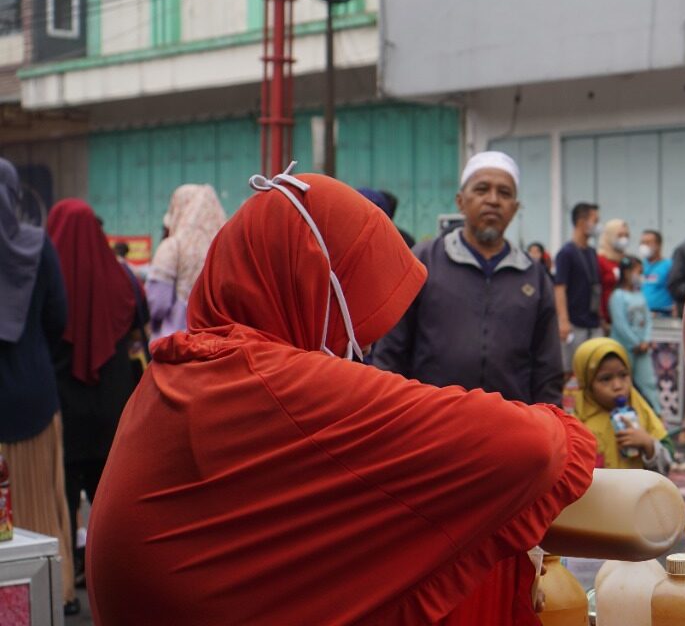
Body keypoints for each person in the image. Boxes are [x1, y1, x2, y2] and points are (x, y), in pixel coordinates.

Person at [86, 169, 596, 625]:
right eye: (356, 308)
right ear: (311, 287)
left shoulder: (177, 369)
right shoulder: (278, 382)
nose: (364, 343)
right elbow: (532, 447)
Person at [373, 151, 562, 405]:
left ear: (515, 208)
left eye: (504, 193)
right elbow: (391, 351)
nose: (493, 200)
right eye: (482, 189)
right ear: (461, 201)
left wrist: (548, 424)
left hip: (511, 428)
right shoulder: (423, 262)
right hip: (432, 423)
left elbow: (547, 368)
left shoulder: (533, 276)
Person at [47, 198, 149, 594]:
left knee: (66, 499)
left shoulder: (48, 279)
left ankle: (66, 585)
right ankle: (112, 579)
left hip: (63, 409)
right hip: (112, 406)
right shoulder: (123, 278)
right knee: (110, 502)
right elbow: (141, 328)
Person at [0, 158, 78, 614]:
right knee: (42, 509)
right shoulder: (37, 245)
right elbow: (57, 319)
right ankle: (55, 593)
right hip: (33, 396)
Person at [572, 337, 673, 473]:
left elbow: (667, 456)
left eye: (623, 375)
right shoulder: (576, 425)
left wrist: (648, 444)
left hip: (637, 493)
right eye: (606, 379)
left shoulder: (640, 410)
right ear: (587, 384)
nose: (618, 386)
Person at [146, 184, 226, 340]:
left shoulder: (173, 246)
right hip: (218, 345)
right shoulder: (226, 247)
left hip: (176, 346)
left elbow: (157, 305)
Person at [555, 203, 604, 372]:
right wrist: (563, 321)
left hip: (593, 323)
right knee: (572, 371)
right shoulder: (566, 253)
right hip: (575, 324)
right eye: (594, 220)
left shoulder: (591, 252)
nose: (598, 225)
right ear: (582, 222)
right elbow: (559, 288)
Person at [609, 256, 661, 409]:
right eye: (638, 272)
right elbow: (620, 325)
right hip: (625, 349)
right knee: (622, 384)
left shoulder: (640, 294)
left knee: (649, 384)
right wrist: (635, 343)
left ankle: (657, 417)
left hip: (642, 349)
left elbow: (648, 320)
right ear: (627, 272)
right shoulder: (617, 296)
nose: (640, 276)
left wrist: (645, 340)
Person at [597, 218, 630, 325]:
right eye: (620, 235)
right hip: (606, 318)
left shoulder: (627, 260)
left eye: (626, 235)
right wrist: (601, 318)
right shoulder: (600, 260)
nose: (624, 239)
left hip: (626, 319)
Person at [638, 230, 673, 316]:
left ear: (658, 245)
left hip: (662, 314)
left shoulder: (669, 265)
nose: (644, 246)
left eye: (648, 242)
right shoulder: (639, 266)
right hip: (642, 314)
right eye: (642, 243)